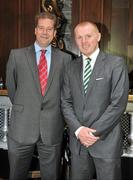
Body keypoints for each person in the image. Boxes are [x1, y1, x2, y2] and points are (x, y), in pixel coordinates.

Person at [6, 12, 71, 180]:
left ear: (55, 33)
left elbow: (66, 93)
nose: (45, 32)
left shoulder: (65, 59)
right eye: (41, 28)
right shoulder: (16, 56)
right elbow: (13, 89)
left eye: (49, 29)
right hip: (22, 127)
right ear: (35, 30)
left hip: (52, 128)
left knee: (51, 176)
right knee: (16, 175)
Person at [61, 21, 129, 180]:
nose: (84, 41)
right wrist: (79, 131)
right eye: (79, 37)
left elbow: (118, 104)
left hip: (106, 142)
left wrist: (93, 133)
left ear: (98, 36)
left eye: (88, 36)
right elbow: (65, 102)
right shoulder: (70, 67)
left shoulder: (116, 64)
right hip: (78, 144)